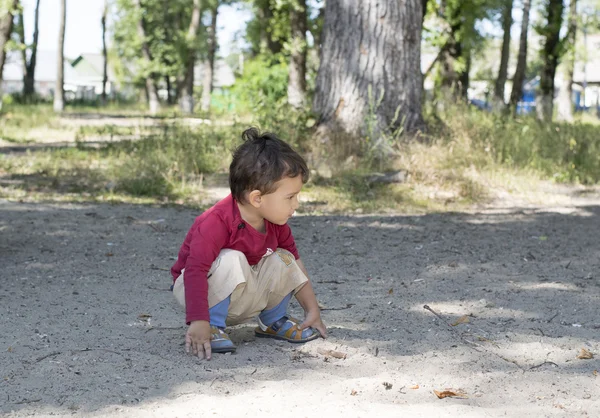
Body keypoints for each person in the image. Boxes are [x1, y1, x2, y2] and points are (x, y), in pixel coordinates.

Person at [170, 128, 327, 360]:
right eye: (290, 197)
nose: (296, 204)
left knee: (284, 257)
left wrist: (312, 310)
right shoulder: (215, 222)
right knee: (233, 258)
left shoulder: (276, 222)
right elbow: (195, 271)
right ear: (257, 198)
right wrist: (199, 320)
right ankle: (213, 325)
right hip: (197, 292)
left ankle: (273, 321)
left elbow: (296, 267)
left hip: (242, 294)